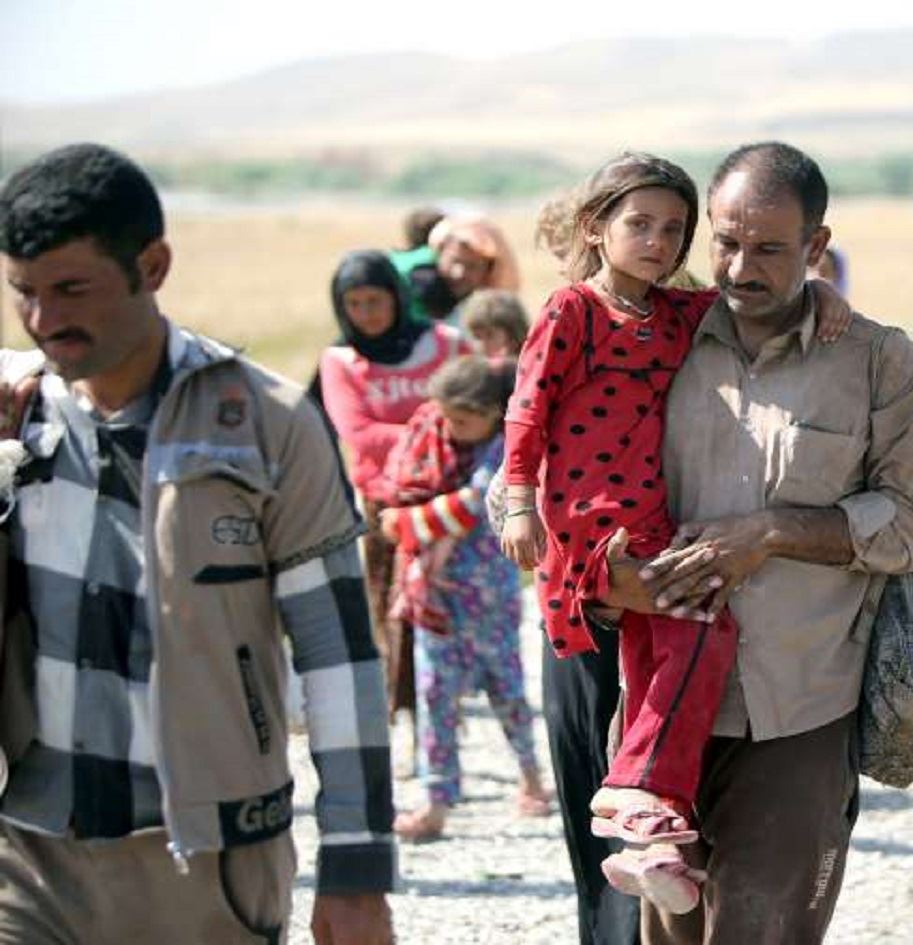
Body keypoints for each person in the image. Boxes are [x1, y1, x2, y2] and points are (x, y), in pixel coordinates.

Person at [0, 143, 395, 943]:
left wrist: (355, 867)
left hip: (208, 864)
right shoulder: (15, 415)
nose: (44, 320)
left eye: (71, 289)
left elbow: (336, 652)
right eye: (23, 293)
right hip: (30, 857)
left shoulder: (267, 423)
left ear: (152, 266)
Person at [571, 141, 913, 944]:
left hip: (798, 713)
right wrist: (607, 581)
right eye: (727, 243)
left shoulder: (879, 363)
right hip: (659, 720)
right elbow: (563, 483)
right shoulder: (646, 339)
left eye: (771, 249)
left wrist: (775, 531)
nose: (741, 268)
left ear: (817, 245)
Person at [496, 153, 851, 915]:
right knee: (703, 629)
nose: (657, 242)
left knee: (667, 656)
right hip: (591, 522)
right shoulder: (570, 311)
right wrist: (519, 501)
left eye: (674, 229)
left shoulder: (676, 314)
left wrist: (819, 289)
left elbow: (749, 301)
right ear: (596, 228)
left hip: (652, 519)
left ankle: (653, 834)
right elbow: (526, 410)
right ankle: (639, 787)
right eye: (640, 224)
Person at [379, 356, 549, 839]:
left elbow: (473, 503)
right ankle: (436, 801)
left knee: (507, 692)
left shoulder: (504, 449)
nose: (451, 429)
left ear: (493, 414)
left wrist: (406, 525)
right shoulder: (433, 444)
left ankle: (531, 776)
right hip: (436, 598)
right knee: (435, 696)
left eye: (463, 420)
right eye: (447, 418)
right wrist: (412, 523)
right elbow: (407, 489)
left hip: (489, 598)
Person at [318, 250, 469, 725]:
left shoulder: (447, 345)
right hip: (386, 505)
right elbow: (358, 432)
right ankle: (405, 710)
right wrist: (436, 432)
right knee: (393, 605)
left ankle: (456, 698)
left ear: (397, 297)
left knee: (459, 599)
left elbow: (478, 405)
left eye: (375, 300)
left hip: (453, 501)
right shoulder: (341, 360)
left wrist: (431, 434)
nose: (366, 313)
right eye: (354, 303)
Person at [428, 214, 522, 324]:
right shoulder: (418, 302)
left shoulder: (498, 320)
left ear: (488, 270)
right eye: (454, 261)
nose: (459, 273)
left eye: (471, 266)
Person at [458, 289, 531, 363]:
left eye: (490, 335)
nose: (482, 346)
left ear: (513, 336)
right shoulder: (472, 367)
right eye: (477, 337)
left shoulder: (530, 366)